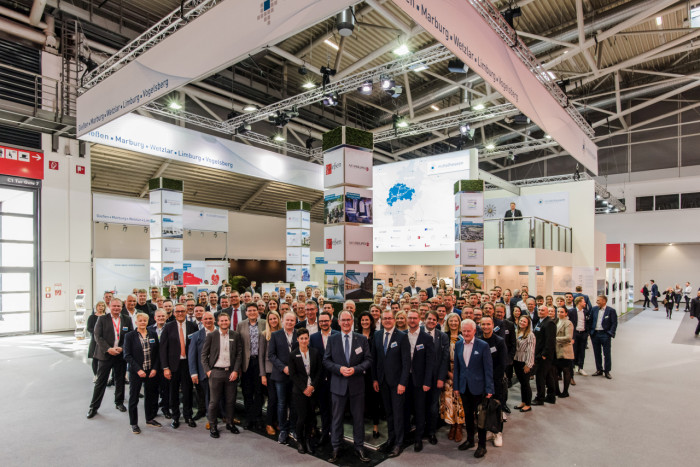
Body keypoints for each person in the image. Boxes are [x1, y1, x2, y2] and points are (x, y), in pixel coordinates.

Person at [323, 311, 372, 463]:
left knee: (358, 418)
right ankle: (336, 447)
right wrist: (339, 369)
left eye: (348, 320)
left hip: (357, 385)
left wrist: (355, 369)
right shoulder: (332, 339)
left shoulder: (362, 339)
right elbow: (326, 361)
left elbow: (368, 360)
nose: (345, 322)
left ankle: (359, 447)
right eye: (342, 320)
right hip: (338, 385)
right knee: (336, 419)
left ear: (352, 321)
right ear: (338, 322)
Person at [371, 309, 409, 458]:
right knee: (389, 413)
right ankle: (391, 439)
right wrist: (375, 378)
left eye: (389, 318)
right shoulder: (377, 335)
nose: (387, 320)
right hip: (382, 382)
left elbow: (406, 362)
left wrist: (403, 383)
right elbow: (374, 359)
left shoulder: (401, 336)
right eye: (384, 318)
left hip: (397, 383)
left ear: (394, 320)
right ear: (381, 320)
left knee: (398, 413)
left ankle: (399, 443)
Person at [453, 319, 494, 458]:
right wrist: (456, 386)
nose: (466, 333)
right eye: (463, 331)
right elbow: (457, 368)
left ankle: (482, 445)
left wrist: (489, 388)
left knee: (480, 417)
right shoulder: (458, 345)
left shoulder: (483, 346)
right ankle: (470, 440)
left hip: (479, 388)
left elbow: (488, 369)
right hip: (464, 388)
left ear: (475, 331)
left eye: (468, 331)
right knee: (468, 416)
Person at [87, 298, 133, 419]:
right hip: (105, 355)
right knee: (100, 382)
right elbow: (97, 336)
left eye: (119, 306)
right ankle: (94, 407)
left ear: (122, 307)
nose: (116, 308)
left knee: (120, 380)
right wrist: (108, 349)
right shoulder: (102, 319)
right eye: (114, 306)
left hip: (120, 355)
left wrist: (123, 348)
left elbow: (130, 336)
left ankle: (119, 402)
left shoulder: (127, 319)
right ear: (110, 307)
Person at [202, 313, 243, 438]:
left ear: (229, 321)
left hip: (231, 372)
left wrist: (236, 370)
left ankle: (230, 423)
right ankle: (213, 425)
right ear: (218, 322)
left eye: (226, 320)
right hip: (216, 372)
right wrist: (208, 371)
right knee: (214, 401)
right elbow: (204, 355)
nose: (224, 322)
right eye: (222, 320)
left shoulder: (235, 335)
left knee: (230, 401)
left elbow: (239, 354)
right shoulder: (212, 335)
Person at [159, 303, 199, 429]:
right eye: (178, 311)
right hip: (172, 366)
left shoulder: (193, 326)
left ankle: (188, 416)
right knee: (173, 392)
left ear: (186, 312)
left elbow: (197, 347)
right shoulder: (168, 327)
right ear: (174, 313)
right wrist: (165, 367)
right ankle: (175, 417)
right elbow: (162, 349)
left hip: (188, 365)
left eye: (182, 311)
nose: (180, 313)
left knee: (187, 392)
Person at [123, 312, 161, 434]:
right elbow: (127, 355)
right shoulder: (130, 336)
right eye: (140, 320)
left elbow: (157, 354)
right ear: (136, 322)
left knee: (150, 396)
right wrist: (138, 370)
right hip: (136, 372)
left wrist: (155, 368)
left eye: (145, 320)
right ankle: (134, 423)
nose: (143, 322)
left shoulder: (153, 334)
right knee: (134, 398)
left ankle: (149, 418)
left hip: (151, 371)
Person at [404, 309, 434, 452]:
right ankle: (406, 435)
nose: (412, 320)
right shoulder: (402, 336)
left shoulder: (426, 338)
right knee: (406, 408)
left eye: (415, 318)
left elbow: (430, 362)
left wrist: (428, 382)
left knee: (420, 410)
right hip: (405, 380)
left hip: (420, 381)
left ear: (419, 319)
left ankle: (418, 438)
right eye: (410, 318)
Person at [288, 327, 321, 454]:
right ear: (298, 339)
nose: (304, 340)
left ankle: (308, 440)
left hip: (312, 390)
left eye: (306, 338)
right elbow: (293, 375)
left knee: (311, 417)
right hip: (299, 391)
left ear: (309, 339)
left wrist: (312, 386)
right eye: (301, 338)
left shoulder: (315, 352)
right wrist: (304, 388)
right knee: (301, 417)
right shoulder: (293, 354)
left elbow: (319, 371)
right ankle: (300, 441)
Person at [268, 312, 298, 445]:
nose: (290, 322)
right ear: (283, 321)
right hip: (280, 375)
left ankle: (293, 428)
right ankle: (283, 430)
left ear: (295, 322)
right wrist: (283, 368)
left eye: (292, 320)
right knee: (281, 403)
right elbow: (271, 355)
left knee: (294, 403)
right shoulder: (275, 335)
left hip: (296, 376)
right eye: (288, 320)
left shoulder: (299, 334)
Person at [310, 310, 338, 445]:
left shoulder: (338, 335)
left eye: (326, 321)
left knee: (336, 409)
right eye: (321, 321)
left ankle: (336, 435)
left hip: (336, 378)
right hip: (320, 380)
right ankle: (325, 433)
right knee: (323, 409)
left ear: (331, 321)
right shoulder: (313, 337)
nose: (323, 323)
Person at [479, 316, 507, 447]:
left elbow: (502, 364)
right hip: (481, 380)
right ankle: (488, 429)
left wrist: (491, 382)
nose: (485, 326)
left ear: (492, 325)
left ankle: (498, 432)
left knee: (496, 406)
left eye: (488, 324)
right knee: (484, 407)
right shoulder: (478, 340)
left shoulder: (499, 341)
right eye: (483, 324)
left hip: (495, 380)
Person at [238, 302, 266, 430]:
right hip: (246, 363)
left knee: (259, 392)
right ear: (246, 312)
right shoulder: (241, 325)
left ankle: (258, 418)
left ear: (258, 311)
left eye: (254, 310)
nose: (252, 312)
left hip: (260, 362)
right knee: (247, 392)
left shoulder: (264, 323)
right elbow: (238, 346)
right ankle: (249, 418)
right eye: (249, 311)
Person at [423, 310, 448, 445]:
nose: (432, 321)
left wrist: (441, 378)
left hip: (435, 378)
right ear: (425, 319)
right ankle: (421, 431)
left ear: (437, 322)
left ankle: (431, 432)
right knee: (420, 406)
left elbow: (444, 359)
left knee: (433, 407)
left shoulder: (442, 336)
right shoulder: (418, 333)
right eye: (429, 319)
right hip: (420, 378)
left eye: (434, 320)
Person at [440, 312, 465, 443]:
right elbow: (441, 357)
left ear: (459, 322)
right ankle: (452, 425)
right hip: (448, 373)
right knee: (449, 401)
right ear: (447, 323)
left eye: (456, 321)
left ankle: (459, 426)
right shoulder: (444, 336)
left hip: (462, 373)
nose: (454, 323)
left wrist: (459, 373)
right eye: (451, 321)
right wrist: (448, 373)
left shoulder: (464, 336)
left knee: (460, 401)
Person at [188, 311, 215, 428]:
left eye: (210, 319)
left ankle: (223, 415)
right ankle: (211, 418)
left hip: (220, 371)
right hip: (203, 371)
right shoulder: (196, 335)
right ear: (202, 321)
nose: (208, 321)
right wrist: (193, 372)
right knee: (208, 396)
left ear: (214, 320)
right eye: (206, 319)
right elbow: (192, 355)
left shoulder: (221, 332)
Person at [358, 311, 380, 438]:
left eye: (367, 320)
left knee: (374, 400)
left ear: (371, 321)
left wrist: (375, 377)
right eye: (362, 320)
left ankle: (375, 426)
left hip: (372, 373)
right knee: (360, 401)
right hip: (359, 373)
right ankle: (360, 425)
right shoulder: (356, 335)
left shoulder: (376, 335)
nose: (365, 322)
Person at [259, 311, 281, 436]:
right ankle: (269, 423)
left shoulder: (282, 333)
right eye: (271, 319)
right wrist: (262, 374)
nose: (273, 321)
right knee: (272, 399)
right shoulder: (264, 335)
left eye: (275, 318)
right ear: (268, 321)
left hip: (281, 371)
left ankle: (277, 421)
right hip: (269, 371)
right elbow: (261, 356)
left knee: (280, 399)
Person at [532, 305, 556, 405]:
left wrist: (544, 354)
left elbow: (550, 340)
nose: (540, 311)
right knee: (548, 376)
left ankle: (540, 398)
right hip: (539, 353)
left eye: (543, 310)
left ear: (547, 312)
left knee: (540, 377)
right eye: (539, 310)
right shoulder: (540, 321)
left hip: (544, 355)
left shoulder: (549, 323)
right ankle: (551, 397)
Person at [589, 295, 618, 379]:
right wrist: (591, 332)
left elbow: (614, 323)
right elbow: (590, 321)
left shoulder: (611, 311)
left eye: (598, 300)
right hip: (595, 334)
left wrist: (610, 333)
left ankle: (607, 371)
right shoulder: (594, 309)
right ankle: (599, 369)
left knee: (607, 353)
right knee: (597, 353)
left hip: (605, 334)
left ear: (604, 301)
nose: (597, 302)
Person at [513, 314, 535, 413]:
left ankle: (528, 404)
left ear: (528, 324)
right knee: (522, 383)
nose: (522, 323)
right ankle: (523, 401)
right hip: (516, 360)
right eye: (521, 321)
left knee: (526, 383)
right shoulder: (516, 332)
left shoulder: (530, 335)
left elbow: (531, 351)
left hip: (524, 361)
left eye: (524, 322)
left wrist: (528, 364)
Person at [555, 307, 574, 398]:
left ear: (566, 313)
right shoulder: (556, 321)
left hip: (565, 350)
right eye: (558, 311)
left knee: (566, 371)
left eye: (562, 312)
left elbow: (568, 337)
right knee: (555, 372)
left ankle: (565, 391)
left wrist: (554, 339)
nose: (559, 313)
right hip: (556, 350)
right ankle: (557, 390)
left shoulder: (568, 323)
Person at [570, 296, 590, 376]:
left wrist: (587, 333)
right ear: (579, 302)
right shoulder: (572, 311)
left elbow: (588, 322)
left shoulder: (586, 312)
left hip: (583, 334)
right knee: (574, 350)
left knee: (582, 351)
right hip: (575, 334)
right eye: (584, 302)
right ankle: (573, 366)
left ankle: (580, 367)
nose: (585, 303)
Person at [87, 301, 107, 379]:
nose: (101, 307)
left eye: (102, 305)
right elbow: (89, 328)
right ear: (96, 307)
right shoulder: (92, 317)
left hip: (105, 341)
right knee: (95, 358)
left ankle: (104, 375)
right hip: (95, 340)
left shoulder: (107, 317)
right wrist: (97, 334)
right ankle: (96, 375)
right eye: (99, 305)